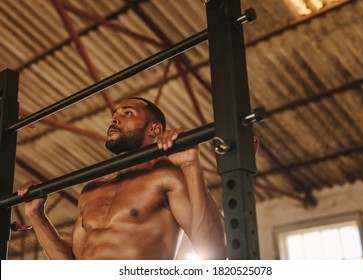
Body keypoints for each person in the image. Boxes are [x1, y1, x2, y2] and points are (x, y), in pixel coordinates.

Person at [17, 97, 227, 260]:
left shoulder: (166, 176)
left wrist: (190, 165)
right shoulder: (91, 191)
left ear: (154, 129)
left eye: (128, 113)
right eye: (114, 115)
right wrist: (36, 215)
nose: (114, 119)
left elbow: (215, 251)